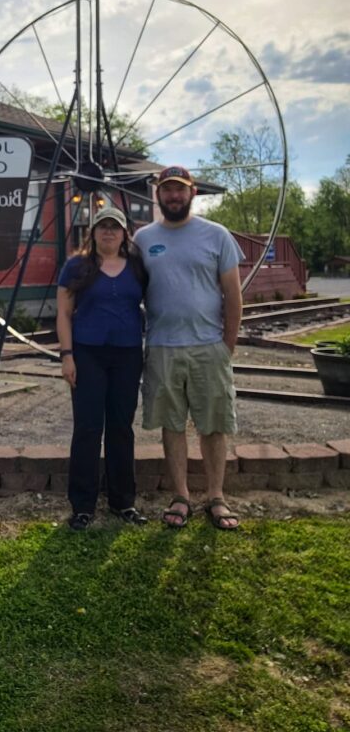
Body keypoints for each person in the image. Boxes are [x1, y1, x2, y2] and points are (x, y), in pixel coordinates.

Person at [133, 165, 244, 531]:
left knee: (213, 425)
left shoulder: (216, 235)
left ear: (192, 193)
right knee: (171, 424)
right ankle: (180, 495)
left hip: (208, 345)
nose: (174, 196)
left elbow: (233, 295)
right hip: (163, 346)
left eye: (180, 190)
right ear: (158, 195)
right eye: (167, 190)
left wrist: (226, 345)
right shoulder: (144, 238)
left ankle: (216, 496)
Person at [56, 206, 149, 530]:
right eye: (102, 226)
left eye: (115, 226)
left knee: (121, 428)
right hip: (87, 355)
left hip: (127, 355)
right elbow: (64, 314)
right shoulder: (76, 266)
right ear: (92, 232)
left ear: (125, 233)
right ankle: (83, 505)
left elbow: (153, 305)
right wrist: (67, 355)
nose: (108, 231)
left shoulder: (137, 267)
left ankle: (123, 501)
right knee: (88, 427)